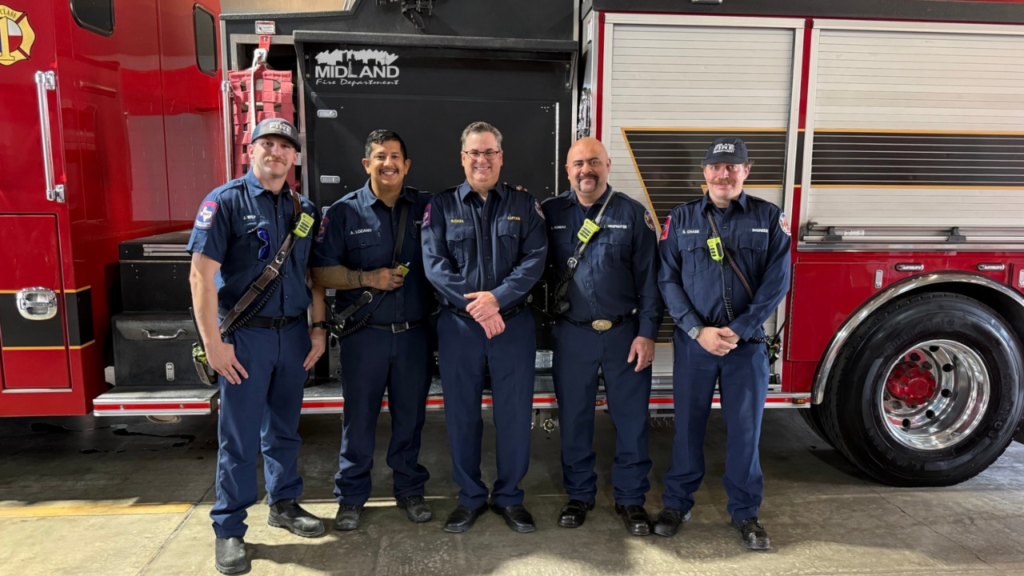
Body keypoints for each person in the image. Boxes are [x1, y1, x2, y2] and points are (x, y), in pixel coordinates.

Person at [187, 118, 326, 575]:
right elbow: (200, 276)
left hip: (292, 335)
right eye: (267, 143)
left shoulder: (305, 209)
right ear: (251, 150)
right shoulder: (224, 201)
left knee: (284, 430)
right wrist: (214, 345)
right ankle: (229, 529)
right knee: (239, 438)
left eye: (285, 147)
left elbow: (311, 275)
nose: (277, 152)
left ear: (294, 158)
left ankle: (284, 504)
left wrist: (316, 329)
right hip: (244, 337)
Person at [654, 136, 792, 549]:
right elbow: (667, 279)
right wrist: (698, 330)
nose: (724, 174)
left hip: (744, 346)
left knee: (745, 433)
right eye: (717, 166)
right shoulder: (680, 219)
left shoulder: (769, 218)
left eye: (733, 166)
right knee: (687, 429)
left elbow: (777, 280)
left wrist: (742, 328)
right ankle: (677, 504)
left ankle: (746, 514)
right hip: (695, 344)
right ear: (705, 173)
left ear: (747, 171)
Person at [421, 121, 548, 534]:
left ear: (501, 157)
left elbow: (535, 260)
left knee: (514, 415)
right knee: (462, 416)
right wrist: (479, 307)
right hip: (459, 329)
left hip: (512, 325)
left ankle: (510, 497)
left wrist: (498, 299)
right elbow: (435, 265)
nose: (482, 160)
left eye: (490, 152)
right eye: (474, 153)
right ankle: (470, 497)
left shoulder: (525, 205)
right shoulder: (440, 207)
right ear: (463, 158)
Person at [310, 130, 434, 531]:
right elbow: (321, 272)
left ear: (407, 164)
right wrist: (369, 277)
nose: (389, 163)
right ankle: (350, 497)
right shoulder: (343, 212)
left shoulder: (428, 207)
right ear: (367, 164)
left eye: (396, 156)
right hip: (365, 335)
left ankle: (410, 490)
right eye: (380, 156)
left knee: (410, 419)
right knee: (358, 419)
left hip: (414, 335)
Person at [541, 138, 662, 536]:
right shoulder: (550, 213)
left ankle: (630, 499)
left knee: (631, 421)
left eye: (594, 162)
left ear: (608, 165)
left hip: (624, 334)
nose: (586, 170)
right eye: (578, 163)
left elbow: (650, 284)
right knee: (574, 419)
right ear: (567, 169)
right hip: (572, 335)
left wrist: (647, 335)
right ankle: (579, 494)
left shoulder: (632, 214)